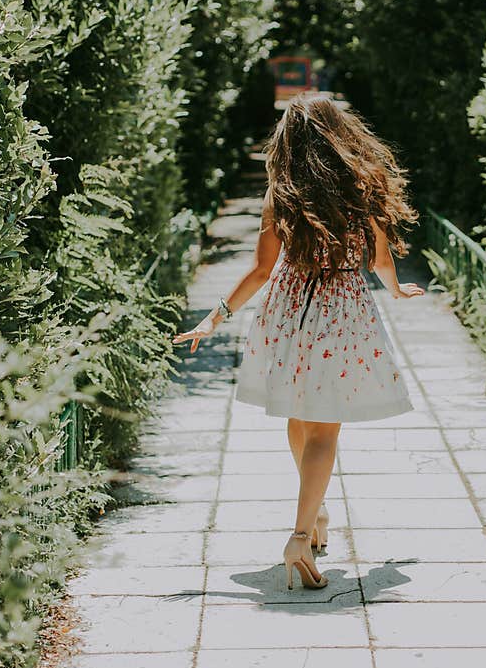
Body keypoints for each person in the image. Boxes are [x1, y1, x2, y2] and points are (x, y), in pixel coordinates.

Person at [172, 95, 424, 590]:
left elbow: (262, 270)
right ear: (339, 134)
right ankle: (300, 534)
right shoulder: (362, 186)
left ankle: (316, 511)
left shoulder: (281, 193)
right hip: (341, 312)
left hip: (289, 313)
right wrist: (394, 289)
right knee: (325, 432)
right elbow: (379, 259)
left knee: (297, 417)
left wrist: (213, 318)